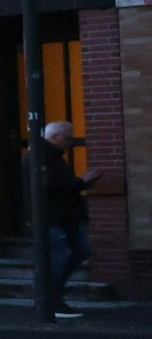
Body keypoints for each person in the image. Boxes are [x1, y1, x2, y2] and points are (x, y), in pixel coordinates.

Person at [40, 121, 101, 319]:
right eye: (67, 138)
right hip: (54, 217)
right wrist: (81, 182)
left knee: (80, 251)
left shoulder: (52, 156)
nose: (70, 143)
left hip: (65, 216)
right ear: (55, 137)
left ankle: (53, 296)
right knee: (61, 257)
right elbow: (52, 185)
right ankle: (52, 300)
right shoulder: (42, 157)